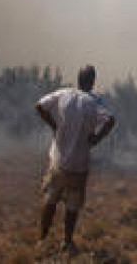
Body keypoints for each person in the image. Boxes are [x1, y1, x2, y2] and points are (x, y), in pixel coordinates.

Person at [35, 65, 115, 253]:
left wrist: (54, 126)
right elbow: (111, 120)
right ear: (92, 82)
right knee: (72, 206)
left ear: (78, 79)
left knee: (50, 201)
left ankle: (42, 240)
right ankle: (67, 242)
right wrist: (96, 138)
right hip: (79, 166)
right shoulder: (95, 101)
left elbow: (39, 106)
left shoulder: (63, 93)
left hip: (58, 162)